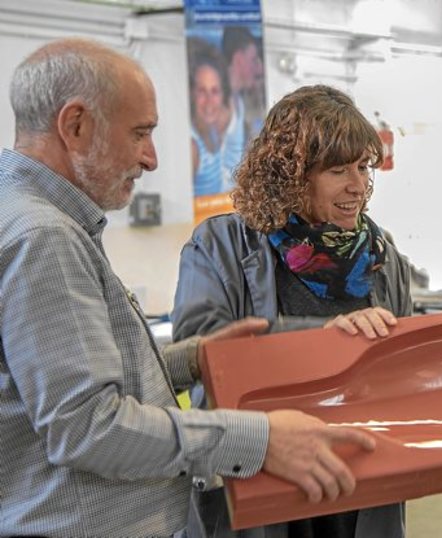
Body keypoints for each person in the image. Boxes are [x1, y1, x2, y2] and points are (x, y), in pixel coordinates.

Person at [0, 39, 376, 537]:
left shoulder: (27, 217)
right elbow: (87, 427)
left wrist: (192, 359)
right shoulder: (44, 236)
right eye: (140, 133)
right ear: (75, 125)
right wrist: (261, 440)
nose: (151, 158)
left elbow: (68, 382)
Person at [172, 84, 412, 537]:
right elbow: (202, 353)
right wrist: (326, 340)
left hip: (358, 482)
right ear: (292, 176)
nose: (358, 185)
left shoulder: (381, 256)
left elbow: (403, 369)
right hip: (262, 474)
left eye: (363, 167)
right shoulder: (221, 246)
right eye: (338, 170)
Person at [188, 37, 244, 196]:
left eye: (215, 91)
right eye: (202, 91)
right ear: (192, 94)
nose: (209, 101)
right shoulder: (192, 147)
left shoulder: (213, 132)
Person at [221, 26, 265, 145]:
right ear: (239, 59)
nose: (259, 69)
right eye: (253, 60)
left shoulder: (238, 102)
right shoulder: (219, 104)